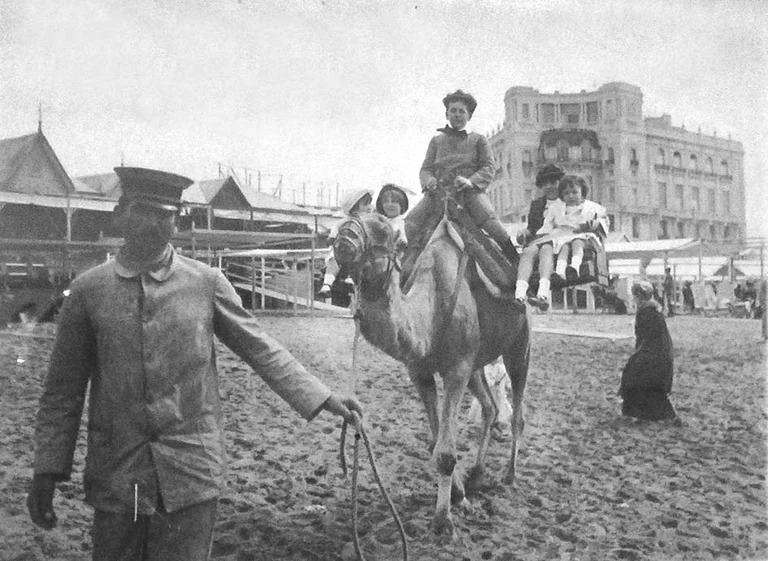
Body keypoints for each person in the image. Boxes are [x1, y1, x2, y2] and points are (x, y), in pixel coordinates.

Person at [27, 167, 363, 561]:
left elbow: (261, 348)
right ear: (119, 213)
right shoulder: (88, 291)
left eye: (166, 213)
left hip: (190, 471)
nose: (155, 222)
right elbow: (62, 391)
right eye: (145, 210)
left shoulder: (205, 282)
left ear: (177, 219)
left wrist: (324, 398)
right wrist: (47, 470)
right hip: (122, 474)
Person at [405, 89, 519, 267]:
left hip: (468, 193)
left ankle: (515, 263)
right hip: (438, 193)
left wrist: (471, 181)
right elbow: (425, 169)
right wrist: (429, 181)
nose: (457, 115)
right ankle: (409, 263)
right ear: (447, 114)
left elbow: (489, 167)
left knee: (490, 222)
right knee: (412, 220)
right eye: (453, 110)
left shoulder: (478, 140)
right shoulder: (436, 141)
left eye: (461, 111)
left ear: (469, 116)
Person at [514, 175, 607, 311]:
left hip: (572, 236)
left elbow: (602, 224)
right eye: (566, 193)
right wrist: (531, 237)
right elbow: (546, 227)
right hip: (553, 235)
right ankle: (520, 292)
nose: (570, 196)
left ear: (583, 192)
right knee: (529, 251)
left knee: (547, 248)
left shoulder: (593, 208)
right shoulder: (556, 207)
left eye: (574, 192)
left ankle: (543, 291)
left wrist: (592, 225)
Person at [619, 281, 677, 422]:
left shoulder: (645, 312)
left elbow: (644, 338)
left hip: (653, 354)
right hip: (662, 353)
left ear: (639, 296)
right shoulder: (654, 310)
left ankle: (638, 413)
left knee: (634, 377)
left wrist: (637, 355)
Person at [317, 188, 373, 298]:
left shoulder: (366, 221)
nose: (368, 207)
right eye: (365, 204)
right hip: (342, 248)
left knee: (361, 260)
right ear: (355, 206)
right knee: (333, 260)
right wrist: (332, 237)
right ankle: (327, 285)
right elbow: (336, 227)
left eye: (368, 204)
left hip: (358, 249)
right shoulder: (345, 220)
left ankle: (351, 279)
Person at [375, 183, 409, 252]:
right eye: (386, 201)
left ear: (402, 205)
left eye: (394, 202)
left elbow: (404, 241)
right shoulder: (379, 221)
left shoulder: (403, 224)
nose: (389, 205)